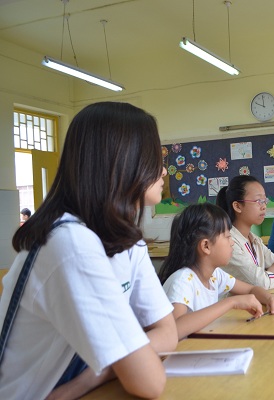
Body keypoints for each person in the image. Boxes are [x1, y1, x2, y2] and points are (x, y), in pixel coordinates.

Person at [0, 102, 178, 399]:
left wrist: (93, 376)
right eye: (152, 158)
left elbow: (167, 332)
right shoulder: (70, 244)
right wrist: (123, 363)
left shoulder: (126, 241)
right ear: (122, 162)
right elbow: (149, 382)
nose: (162, 171)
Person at [158, 203, 274, 340]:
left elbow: (251, 290)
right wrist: (231, 302)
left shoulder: (215, 275)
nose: (232, 243)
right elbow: (173, 330)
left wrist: (269, 299)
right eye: (227, 237)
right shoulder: (182, 281)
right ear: (206, 246)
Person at [216, 175, 274, 288]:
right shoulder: (229, 241)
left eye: (264, 200)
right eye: (258, 201)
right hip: (234, 305)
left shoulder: (255, 240)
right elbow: (260, 283)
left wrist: (269, 277)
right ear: (237, 206)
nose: (264, 206)